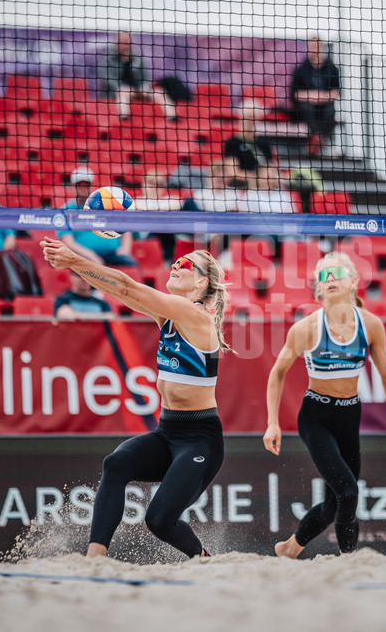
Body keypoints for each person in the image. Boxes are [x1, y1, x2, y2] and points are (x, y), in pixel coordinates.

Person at [41, 239, 230, 559]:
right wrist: (76, 266)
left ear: (201, 283)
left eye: (184, 264)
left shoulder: (194, 314)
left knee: (159, 520)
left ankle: (205, 559)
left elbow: (129, 288)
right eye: (174, 261)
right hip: (168, 432)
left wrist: (75, 259)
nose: (174, 265)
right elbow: (119, 291)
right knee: (116, 464)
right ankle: (94, 558)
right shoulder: (169, 316)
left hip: (200, 441)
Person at [263, 251, 386, 558]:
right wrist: (272, 423)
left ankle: (290, 548)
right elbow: (277, 373)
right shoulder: (305, 329)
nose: (330, 279)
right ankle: (350, 559)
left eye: (336, 274)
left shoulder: (370, 325)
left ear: (354, 282)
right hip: (316, 416)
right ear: (317, 289)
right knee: (348, 492)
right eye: (323, 276)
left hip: (350, 414)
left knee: (336, 501)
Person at [58, 167, 139, 268]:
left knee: (131, 264)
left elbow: (125, 229)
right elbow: (67, 241)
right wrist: (91, 256)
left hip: (113, 255)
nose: (83, 188)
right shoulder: (66, 210)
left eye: (86, 185)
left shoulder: (104, 204)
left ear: (91, 186)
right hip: (83, 257)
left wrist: (125, 249)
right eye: (79, 185)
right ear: (73, 187)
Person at [99, 31, 177, 120]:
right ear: (116, 43)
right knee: (123, 93)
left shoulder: (138, 58)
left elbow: (146, 77)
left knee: (160, 92)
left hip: (138, 91)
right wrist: (121, 87)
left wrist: (144, 87)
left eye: (126, 41)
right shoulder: (108, 59)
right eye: (121, 42)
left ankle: (173, 118)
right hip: (120, 92)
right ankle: (124, 120)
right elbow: (108, 79)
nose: (124, 45)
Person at [290, 36, 341, 155]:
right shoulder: (301, 69)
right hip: (307, 106)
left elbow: (336, 93)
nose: (314, 49)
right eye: (312, 46)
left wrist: (321, 97)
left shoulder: (332, 69)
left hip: (325, 105)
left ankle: (318, 139)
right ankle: (317, 138)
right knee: (307, 107)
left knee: (330, 109)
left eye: (317, 46)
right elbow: (295, 94)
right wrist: (311, 96)